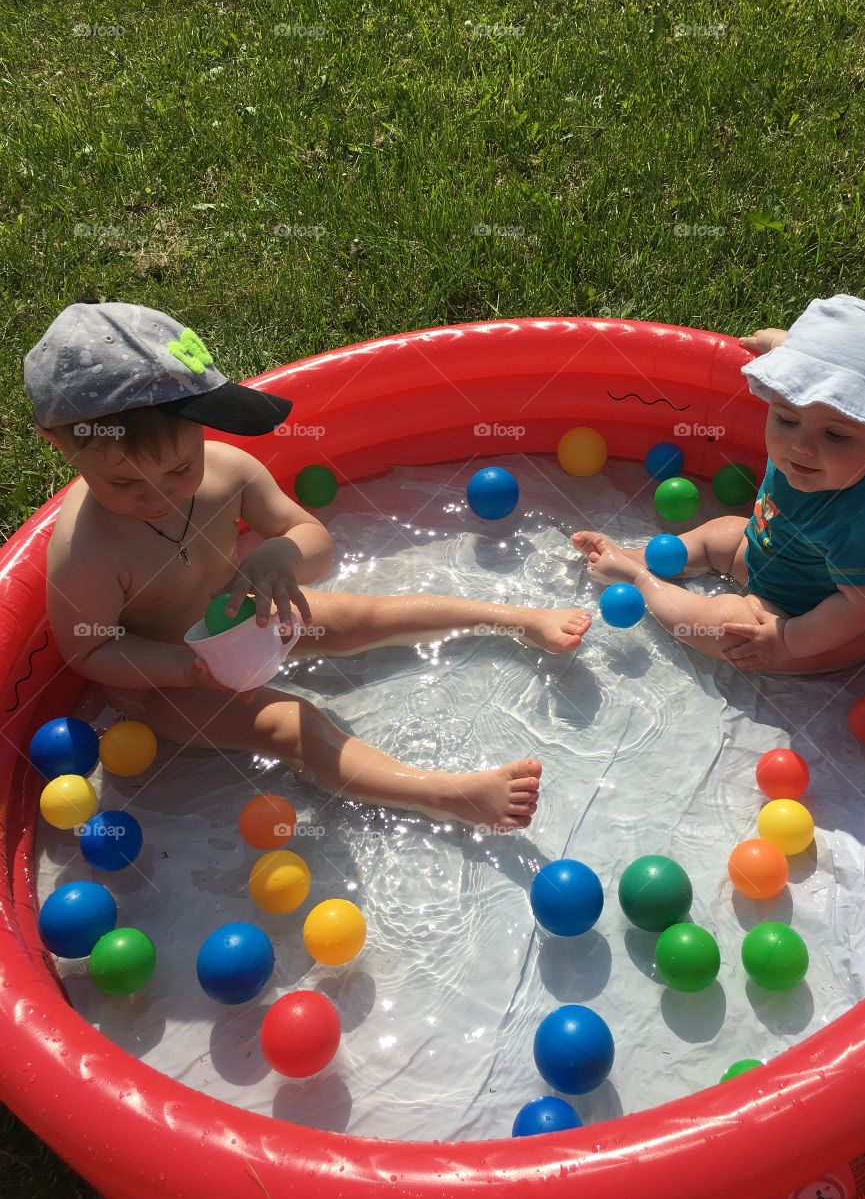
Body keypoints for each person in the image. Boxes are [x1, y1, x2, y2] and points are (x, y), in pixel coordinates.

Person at [25, 301, 594, 830]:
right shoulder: (87, 546)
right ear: (57, 444)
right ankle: (448, 795)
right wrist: (182, 668)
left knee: (367, 616)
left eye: (178, 469)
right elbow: (90, 650)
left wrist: (278, 555)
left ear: (203, 426)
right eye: (124, 483)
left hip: (246, 615)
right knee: (295, 726)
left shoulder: (228, 472)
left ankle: (514, 620)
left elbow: (314, 539)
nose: (159, 497)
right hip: (165, 682)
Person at [572, 294, 865, 675]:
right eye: (786, 420)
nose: (801, 446)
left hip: (814, 618)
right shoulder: (817, 447)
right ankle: (638, 555)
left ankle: (638, 578)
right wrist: (781, 346)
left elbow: (864, 607)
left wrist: (788, 639)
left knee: (729, 628)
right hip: (769, 553)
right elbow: (806, 376)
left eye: (836, 436)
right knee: (723, 532)